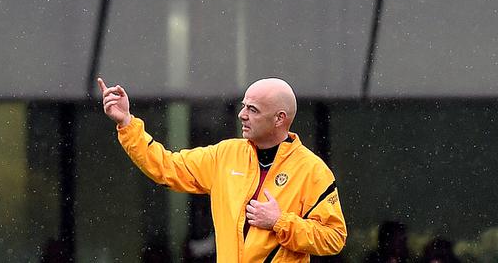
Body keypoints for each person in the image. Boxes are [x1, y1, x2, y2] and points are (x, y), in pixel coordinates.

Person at [98, 76, 346, 262]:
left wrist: (279, 222)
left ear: (279, 118)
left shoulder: (312, 169)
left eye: (252, 109)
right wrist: (127, 122)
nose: (242, 115)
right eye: (243, 105)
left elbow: (334, 238)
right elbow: (166, 166)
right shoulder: (225, 154)